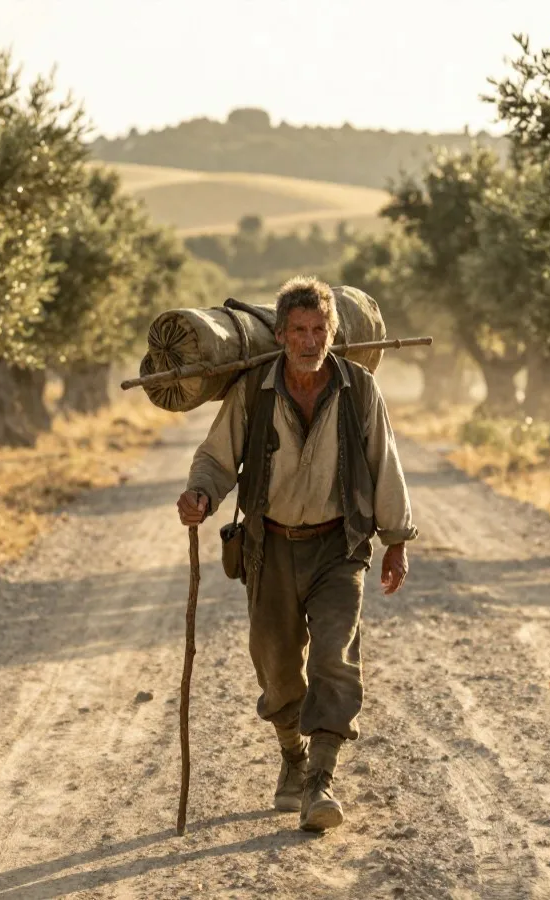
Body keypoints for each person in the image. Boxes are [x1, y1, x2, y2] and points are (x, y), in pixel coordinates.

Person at [176, 275, 417, 832]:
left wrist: (396, 541)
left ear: (333, 333)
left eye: (320, 330)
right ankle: (292, 755)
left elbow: (385, 463)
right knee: (278, 668)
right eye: (299, 330)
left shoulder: (359, 389)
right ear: (281, 335)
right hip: (271, 549)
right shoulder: (254, 391)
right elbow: (216, 458)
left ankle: (321, 781)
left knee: (335, 658)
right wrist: (200, 495)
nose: (310, 341)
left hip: (339, 547)